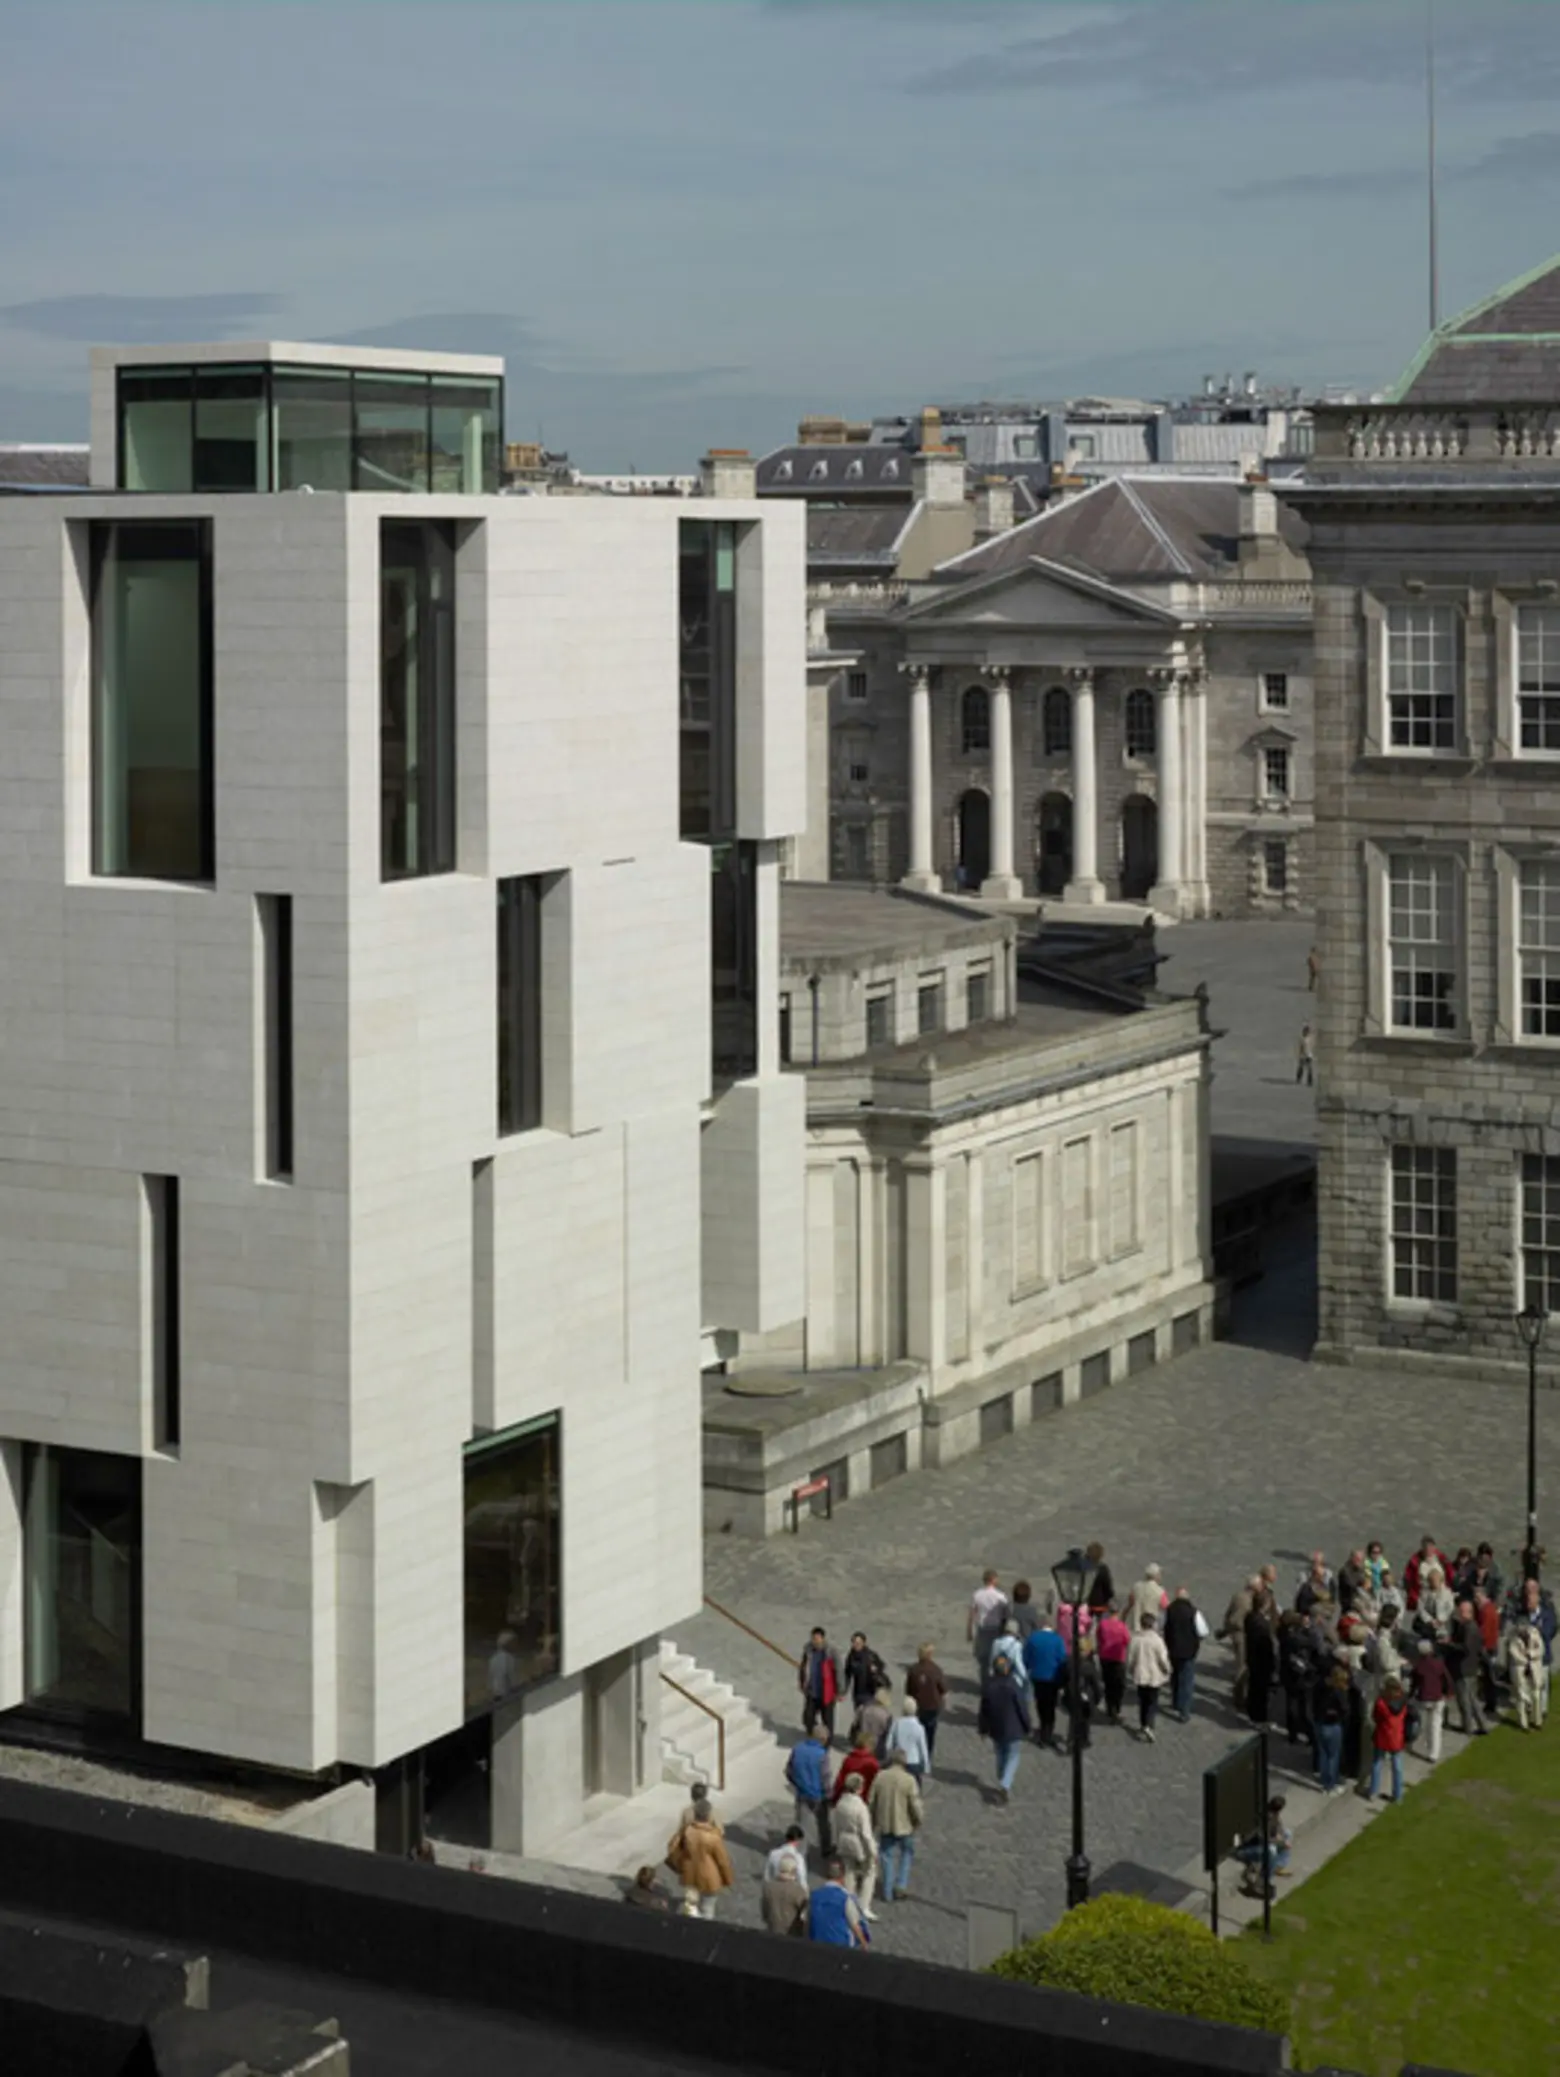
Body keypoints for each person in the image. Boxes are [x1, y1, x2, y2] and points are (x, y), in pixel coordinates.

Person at [868, 1749, 924, 1903]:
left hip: (885, 1823)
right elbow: (914, 1804)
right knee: (906, 1853)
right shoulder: (909, 1780)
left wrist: (872, 1821)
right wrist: (919, 1819)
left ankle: (887, 1891)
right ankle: (901, 1884)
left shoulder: (880, 1776)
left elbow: (871, 1800)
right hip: (905, 1825)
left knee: (886, 1856)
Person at [665, 1798, 734, 1920]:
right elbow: (723, 1861)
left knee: (691, 1907)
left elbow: (672, 1846)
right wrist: (728, 1879)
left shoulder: (686, 1830)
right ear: (708, 1815)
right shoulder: (713, 1837)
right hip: (709, 1878)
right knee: (708, 1908)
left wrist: (679, 1863)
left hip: (689, 1873)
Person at [977, 1653, 1032, 1800]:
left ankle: (1002, 1777)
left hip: (996, 1727)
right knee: (1013, 1756)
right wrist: (1027, 1725)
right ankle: (1005, 1784)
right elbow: (1022, 1707)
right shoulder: (1013, 1685)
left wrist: (983, 1729)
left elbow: (984, 1711)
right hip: (1013, 1728)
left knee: (1000, 1754)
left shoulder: (989, 1687)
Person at [832, 1772, 878, 1921]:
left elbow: (836, 1825)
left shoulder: (840, 1803)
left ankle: (848, 1903)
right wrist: (872, 1850)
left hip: (844, 1840)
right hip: (858, 1843)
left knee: (849, 1873)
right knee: (869, 1873)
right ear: (860, 1788)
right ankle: (863, 1906)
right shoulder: (860, 1807)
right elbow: (866, 1833)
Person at [784, 1728, 834, 1856]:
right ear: (823, 1740)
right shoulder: (822, 1755)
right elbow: (825, 1778)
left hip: (802, 1793)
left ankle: (800, 1854)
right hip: (819, 1796)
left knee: (802, 1825)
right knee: (823, 1823)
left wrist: (797, 1784)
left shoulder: (797, 1749)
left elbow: (789, 1770)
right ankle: (826, 1848)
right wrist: (829, 1795)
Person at [1446, 1597, 1489, 1736]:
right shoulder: (1468, 1626)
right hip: (1469, 1667)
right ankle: (1482, 1725)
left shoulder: (1469, 1628)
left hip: (1464, 1668)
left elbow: (1466, 1648)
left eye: (1461, 1611)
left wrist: (1449, 1644)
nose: (1459, 1612)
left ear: (1468, 1612)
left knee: (1464, 1700)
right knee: (1472, 1698)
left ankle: (1468, 1727)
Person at [1235, 1796, 1292, 1901]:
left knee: (1287, 1834)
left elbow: (1278, 1827)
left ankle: (1278, 1866)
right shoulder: (1263, 1818)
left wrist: (1281, 1836)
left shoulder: (1273, 1816)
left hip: (1262, 1844)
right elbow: (1261, 1838)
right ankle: (1260, 1884)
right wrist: (1280, 1842)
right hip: (1246, 1849)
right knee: (1271, 1852)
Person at [1024, 1615, 1069, 1747]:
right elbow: (1062, 1660)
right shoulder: (1057, 1640)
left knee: (1040, 1703)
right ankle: (1047, 1732)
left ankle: (1043, 1727)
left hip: (1037, 1677)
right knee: (1051, 1706)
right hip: (1053, 1678)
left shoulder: (1033, 1638)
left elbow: (1026, 1658)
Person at [1126, 1611, 1172, 1742]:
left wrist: (1130, 1669)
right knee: (1152, 1701)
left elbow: (1130, 1658)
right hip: (1154, 1676)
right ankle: (1149, 1726)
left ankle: (1143, 1724)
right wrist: (1168, 1670)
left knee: (1143, 1702)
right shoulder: (1157, 1641)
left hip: (1141, 1675)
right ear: (1153, 1625)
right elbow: (1162, 1659)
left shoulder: (1135, 1639)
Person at [1163, 1586, 1203, 1722]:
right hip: (1189, 1651)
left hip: (1172, 1649)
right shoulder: (1193, 1612)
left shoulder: (1169, 1610)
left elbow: (1164, 1627)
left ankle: (1175, 1702)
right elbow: (1203, 1631)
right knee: (1187, 1680)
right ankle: (1184, 1711)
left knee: (1175, 1677)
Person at [807, 1859, 869, 1947]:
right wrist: (864, 1943)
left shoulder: (814, 1895)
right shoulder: (845, 1897)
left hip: (817, 1940)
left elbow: (807, 1920)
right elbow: (854, 1925)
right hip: (839, 1943)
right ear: (842, 1877)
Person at [1409, 1636, 1453, 1761]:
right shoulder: (1438, 1664)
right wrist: (1448, 1692)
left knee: (1423, 1722)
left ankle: (1421, 1742)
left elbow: (1414, 1684)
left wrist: (1410, 1696)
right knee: (1435, 1726)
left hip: (1424, 1699)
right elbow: (1447, 1679)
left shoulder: (1418, 1666)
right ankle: (1433, 1753)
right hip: (1437, 1698)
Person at [1277, 1610, 1315, 1750]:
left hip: (1287, 1673)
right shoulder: (1295, 1638)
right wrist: (1308, 1629)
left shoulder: (1282, 1632)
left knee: (1291, 1703)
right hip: (1300, 1676)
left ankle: (1292, 1734)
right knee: (1304, 1707)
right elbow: (1310, 1642)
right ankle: (1310, 1735)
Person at [760, 1828, 809, 1936]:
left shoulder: (773, 1853)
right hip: (792, 1892)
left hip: (774, 1890)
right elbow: (802, 1880)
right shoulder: (798, 1858)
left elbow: (767, 1877)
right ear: (798, 1841)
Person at [1369, 1677, 1410, 1802]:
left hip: (1382, 1736)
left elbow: (1375, 1717)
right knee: (1397, 1767)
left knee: (1377, 1764)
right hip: (1397, 1737)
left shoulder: (1381, 1703)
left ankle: (1373, 1792)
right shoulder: (1403, 1702)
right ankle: (1398, 1795)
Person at [1223, 1575, 1260, 1710]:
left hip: (1235, 1634)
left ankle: (1239, 1694)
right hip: (1243, 1634)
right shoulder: (1250, 1601)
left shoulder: (1237, 1596)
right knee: (1242, 1666)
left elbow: (1228, 1614)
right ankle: (1239, 1697)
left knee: (1240, 1664)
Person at [905, 1643, 947, 1763]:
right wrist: (943, 1705)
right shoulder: (936, 1669)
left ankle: (916, 1753)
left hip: (917, 1706)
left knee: (916, 1731)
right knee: (930, 1733)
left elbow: (908, 1690)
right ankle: (926, 1756)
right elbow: (943, 1690)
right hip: (932, 1706)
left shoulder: (914, 1669)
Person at [797, 1626, 840, 1741]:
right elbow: (803, 1667)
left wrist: (840, 1690)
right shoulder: (808, 1651)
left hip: (827, 1692)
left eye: (817, 1638)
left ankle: (826, 1743)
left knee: (827, 1720)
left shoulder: (831, 1652)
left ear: (823, 1638)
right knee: (808, 1717)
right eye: (813, 1638)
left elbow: (839, 1670)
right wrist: (802, 1682)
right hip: (812, 1691)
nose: (815, 1641)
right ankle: (813, 1736)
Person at [1508, 1608, 1548, 1731]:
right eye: (1519, 1625)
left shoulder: (1535, 1633)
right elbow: (1513, 1652)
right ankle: (1523, 1723)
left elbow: (1541, 1649)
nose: (1521, 1628)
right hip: (1520, 1670)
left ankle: (1537, 1721)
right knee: (1521, 1697)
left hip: (1534, 1669)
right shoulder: (1513, 1637)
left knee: (1536, 1695)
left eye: (1523, 1625)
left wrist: (1530, 1654)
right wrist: (1525, 1659)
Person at [1312, 1664, 1349, 1792]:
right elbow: (1345, 1709)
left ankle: (1324, 1781)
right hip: (1333, 1725)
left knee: (1323, 1754)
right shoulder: (1339, 1692)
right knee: (1333, 1756)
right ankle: (1330, 1785)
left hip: (1319, 1723)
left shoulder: (1319, 1686)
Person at [1094, 1601, 1131, 1725]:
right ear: (1118, 1612)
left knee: (1108, 1684)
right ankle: (1116, 1708)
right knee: (1119, 1685)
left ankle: (1110, 1708)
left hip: (1105, 1657)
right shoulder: (1122, 1626)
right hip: (1118, 1658)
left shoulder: (1103, 1624)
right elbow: (1126, 1640)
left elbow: (1098, 1637)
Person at [1244, 1599, 1277, 1729]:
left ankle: (1254, 1715)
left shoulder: (1250, 1617)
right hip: (1261, 1663)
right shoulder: (1262, 1625)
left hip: (1253, 1660)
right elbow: (1266, 1647)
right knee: (1260, 1693)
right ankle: (1260, 1720)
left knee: (1254, 1689)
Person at [883, 1694, 930, 1781]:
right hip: (914, 1763)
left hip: (898, 1762)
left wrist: (888, 1759)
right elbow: (923, 1749)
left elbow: (888, 1744)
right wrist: (926, 1768)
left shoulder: (897, 1723)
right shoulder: (919, 1727)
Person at [968, 1569, 1008, 1669]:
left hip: (982, 1629)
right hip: (996, 1629)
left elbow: (972, 1614)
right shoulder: (1000, 1596)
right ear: (993, 1580)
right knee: (997, 1656)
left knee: (983, 1658)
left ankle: (984, 1680)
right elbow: (1005, 1614)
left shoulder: (977, 1594)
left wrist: (969, 1631)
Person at [842, 1632, 888, 1713]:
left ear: (863, 1643)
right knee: (859, 1716)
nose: (856, 1645)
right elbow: (847, 1674)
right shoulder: (851, 1656)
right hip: (857, 1693)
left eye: (858, 1643)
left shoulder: (871, 1655)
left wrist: (875, 1669)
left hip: (870, 1692)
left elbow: (882, 1666)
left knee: (868, 1715)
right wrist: (843, 1691)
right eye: (854, 1643)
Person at [830, 1731, 880, 1806]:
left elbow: (840, 1781)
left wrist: (835, 1798)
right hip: (864, 1802)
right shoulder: (873, 1763)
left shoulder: (848, 1759)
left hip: (847, 1799)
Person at [1403, 1536, 1450, 1613]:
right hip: (1424, 1595)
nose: (1429, 1550)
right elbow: (1408, 1579)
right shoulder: (1415, 1562)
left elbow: (1450, 1574)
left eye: (1431, 1547)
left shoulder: (1442, 1559)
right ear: (1422, 1549)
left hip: (1442, 1594)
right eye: (1426, 1548)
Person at [1123, 1562, 1167, 1634]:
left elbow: (1129, 1605)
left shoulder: (1136, 1587)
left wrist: (1122, 1619)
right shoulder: (1160, 1591)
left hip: (1135, 1627)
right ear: (1156, 1576)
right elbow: (1166, 1608)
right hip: (1151, 1628)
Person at [851, 1685, 893, 1759]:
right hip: (877, 1748)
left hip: (862, 1742)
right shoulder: (887, 1716)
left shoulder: (863, 1709)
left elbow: (855, 1725)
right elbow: (888, 1735)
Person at [1295, 1551, 1334, 1618]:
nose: (1316, 1565)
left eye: (1318, 1562)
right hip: (1308, 1607)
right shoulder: (1304, 1575)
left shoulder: (1328, 1574)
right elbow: (1300, 1592)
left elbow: (1331, 1593)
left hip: (1323, 1607)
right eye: (1314, 1562)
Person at [1084, 1542, 1115, 1612]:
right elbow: (1107, 1588)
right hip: (1100, 1604)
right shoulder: (1103, 1569)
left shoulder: (1082, 1567)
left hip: (1085, 1603)